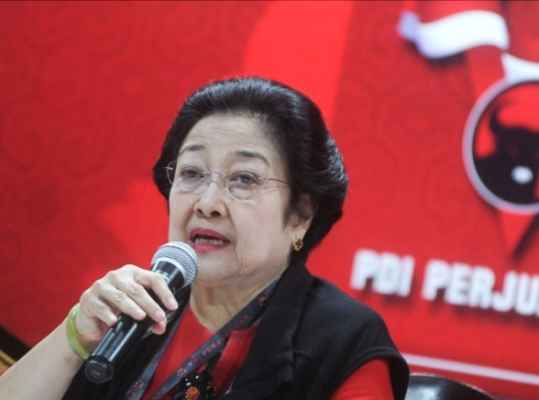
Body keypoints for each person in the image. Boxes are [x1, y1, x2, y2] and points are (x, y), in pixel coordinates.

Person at [0, 77, 409, 399]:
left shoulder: (344, 339)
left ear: (301, 215)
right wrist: (74, 337)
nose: (208, 203)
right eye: (192, 173)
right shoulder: (131, 310)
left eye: (244, 179)